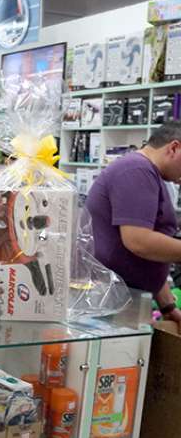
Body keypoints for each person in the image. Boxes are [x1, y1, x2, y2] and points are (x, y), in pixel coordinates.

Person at [85, 122, 181, 325]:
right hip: (111, 302)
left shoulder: (147, 172)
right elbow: (139, 241)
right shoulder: (137, 170)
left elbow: (151, 255)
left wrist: (167, 306)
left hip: (124, 299)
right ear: (174, 148)